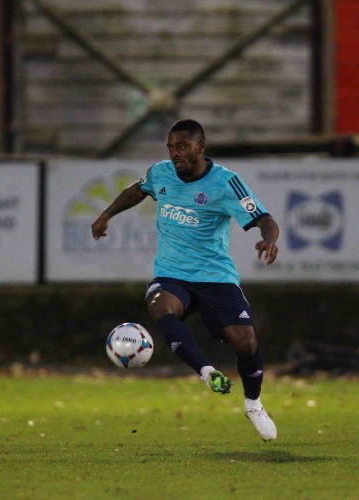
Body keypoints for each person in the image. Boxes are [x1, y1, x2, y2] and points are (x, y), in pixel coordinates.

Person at [91, 118, 279, 442]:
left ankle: (253, 403)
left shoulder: (225, 183)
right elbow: (136, 191)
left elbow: (264, 219)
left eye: (182, 147)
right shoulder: (160, 173)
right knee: (162, 307)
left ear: (200, 147)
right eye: (171, 148)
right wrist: (106, 214)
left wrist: (270, 239)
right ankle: (207, 372)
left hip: (215, 276)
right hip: (171, 273)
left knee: (246, 343)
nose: (175, 153)